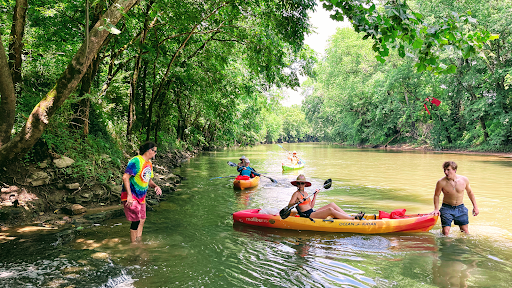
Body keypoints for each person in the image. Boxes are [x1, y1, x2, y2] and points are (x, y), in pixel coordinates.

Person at [121, 141, 162, 243]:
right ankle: (134, 245)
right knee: (136, 220)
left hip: (141, 197)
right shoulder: (136, 161)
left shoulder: (149, 164)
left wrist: (156, 186)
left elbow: (149, 180)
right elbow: (125, 177)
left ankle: (138, 240)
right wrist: (129, 196)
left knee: (142, 219)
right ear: (149, 150)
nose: (155, 153)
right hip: (131, 195)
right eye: (155, 151)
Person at [286, 174, 364, 220]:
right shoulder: (296, 194)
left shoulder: (306, 193)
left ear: (305, 184)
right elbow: (289, 206)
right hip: (307, 216)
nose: (300, 185)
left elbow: (311, 206)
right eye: (299, 183)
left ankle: (348, 216)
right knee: (330, 210)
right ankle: (353, 219)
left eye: (302, 183)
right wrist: (297, 202)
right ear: (297, 184)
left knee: (332, 204)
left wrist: (315, 196)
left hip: (312, 212)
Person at [432, 161, 479, 235]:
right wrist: (436, 209)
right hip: (446, 208)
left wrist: (475, 207)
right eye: (444, 170)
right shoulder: (441, 182)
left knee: (465, 232)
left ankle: (463, 246)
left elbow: (470, 193)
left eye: (448, 170)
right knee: (446, 232)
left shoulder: (464, 180)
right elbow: (436, 195)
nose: (445, 172)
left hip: (461, 208)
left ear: (454, 170)